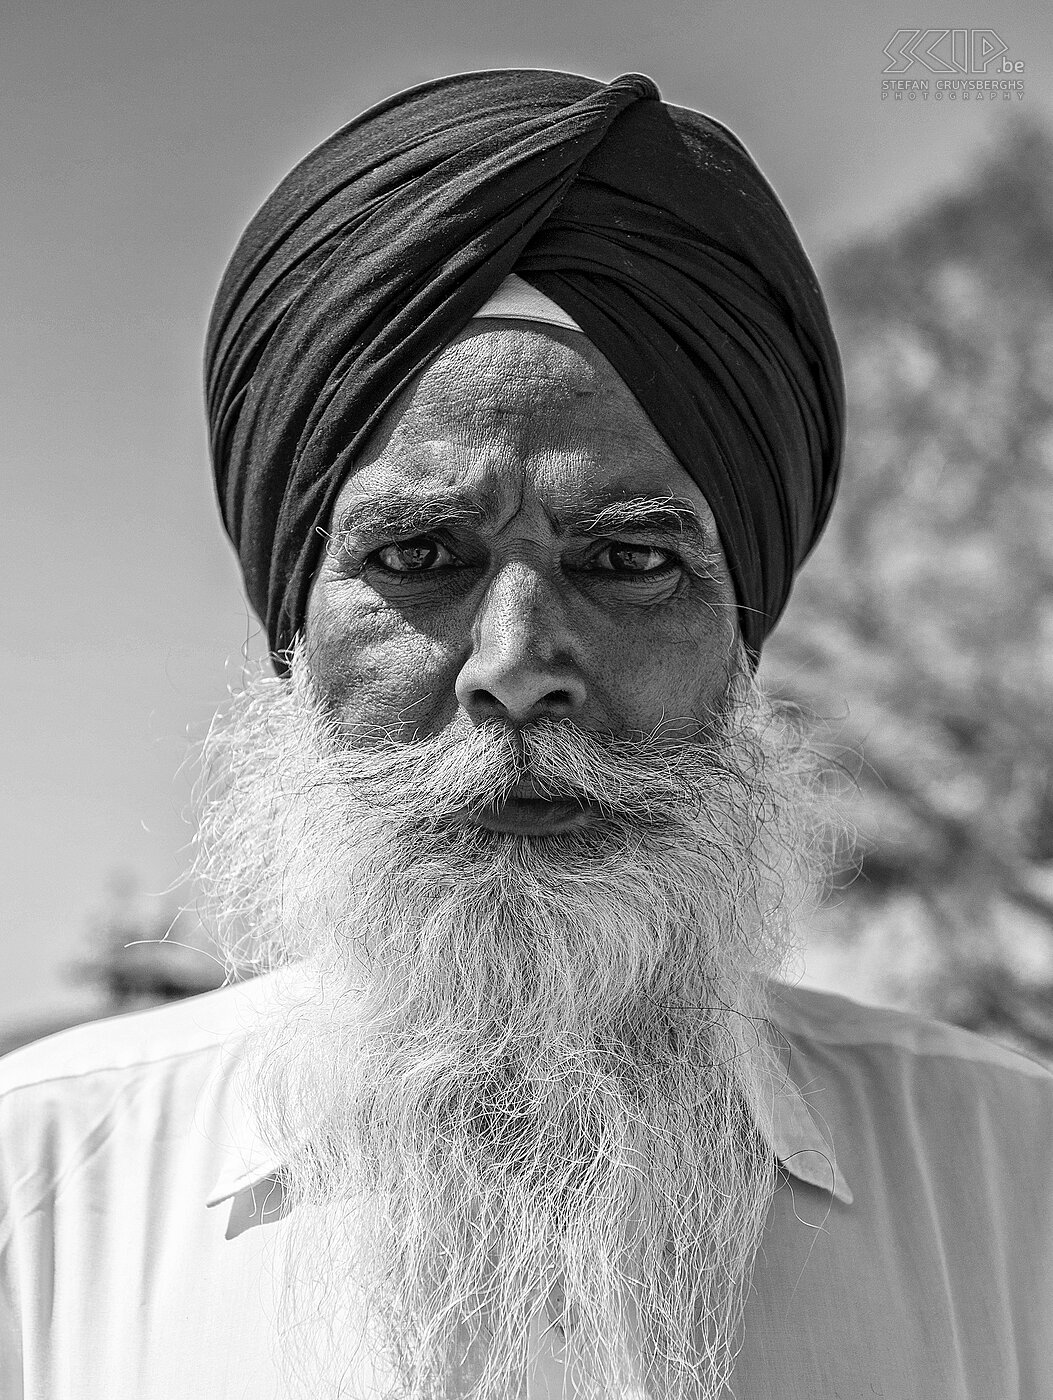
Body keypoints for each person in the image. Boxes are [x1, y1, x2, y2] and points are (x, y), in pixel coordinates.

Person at [2, 68, 1051, 1400]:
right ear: (295, 636)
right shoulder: (41, 1189)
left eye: (624, 559)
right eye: (419, 553)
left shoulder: (1012, 1191)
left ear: (743, 636)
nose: (514, 669)